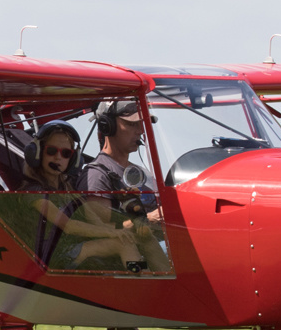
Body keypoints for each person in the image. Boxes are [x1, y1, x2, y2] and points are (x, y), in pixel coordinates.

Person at [18, 121, 149, 272]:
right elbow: (68, 226)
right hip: (49, 258)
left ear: (73, 160)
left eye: (66, 153)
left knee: (130, 239)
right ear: (37, 152)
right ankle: (144, 280)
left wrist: (124, 231)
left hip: (73, 250)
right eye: (51, 151)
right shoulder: (34, 192)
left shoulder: (68, 190)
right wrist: (112, 233)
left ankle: (148, 274)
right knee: (123, 244)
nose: (58, 158)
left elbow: (94, 221)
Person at [76, 99, 171, 272]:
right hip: (133, 264)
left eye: (141, 124)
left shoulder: (142, 173)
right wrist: (149, 220)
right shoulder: (97, 175)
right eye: (132, 124)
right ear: (108, 126)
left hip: (163, 253)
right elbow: (99, 231)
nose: (140, 131)